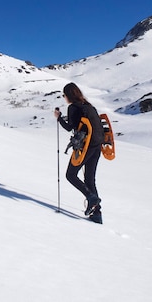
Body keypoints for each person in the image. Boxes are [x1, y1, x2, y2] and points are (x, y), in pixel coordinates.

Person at [54, 82, 104, 223]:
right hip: (97, 145)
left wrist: (58, 118)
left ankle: (91, 197)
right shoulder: (88, 106)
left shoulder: (73, 107)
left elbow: (70, 127)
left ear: (69, 95)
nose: (64, 97)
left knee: (70, 174)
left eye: (64, 95)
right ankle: (96, 213)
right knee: (89, 179)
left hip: (85, 146)